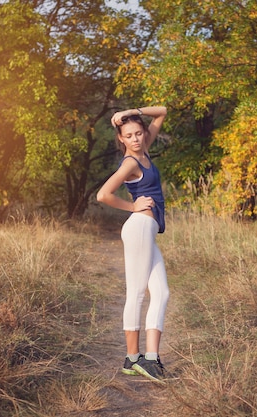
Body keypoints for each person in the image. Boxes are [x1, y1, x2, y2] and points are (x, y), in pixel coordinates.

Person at [96, 105, 169, 383]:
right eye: (129, 135)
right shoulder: (130, 163)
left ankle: (150, 359)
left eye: (139, 132)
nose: (136, 138)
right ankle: (131, 357)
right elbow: (103, 194)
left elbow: (161, 112)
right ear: (122, 139)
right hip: (139, 226)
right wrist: (133, 206)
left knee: (161, 293)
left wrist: (130, 111)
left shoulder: (145, 150)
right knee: (137, 293)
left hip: (147, 231)